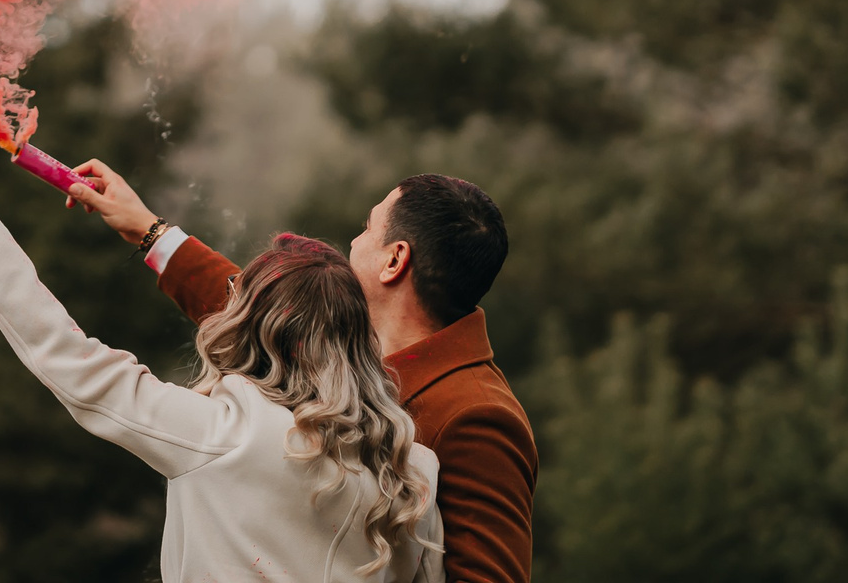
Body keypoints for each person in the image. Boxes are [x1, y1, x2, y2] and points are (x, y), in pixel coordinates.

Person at [0, 107, 444, 582]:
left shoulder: (226, 436)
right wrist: (147, 228)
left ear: (249, 326)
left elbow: (67, 355)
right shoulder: (416, 473)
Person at [66, 160, 536, 583]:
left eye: (366, 228)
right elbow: (261, 313)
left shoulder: (479, 416)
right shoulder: (345, 338)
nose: (353, 242)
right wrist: (151, 231)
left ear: (394, 260)